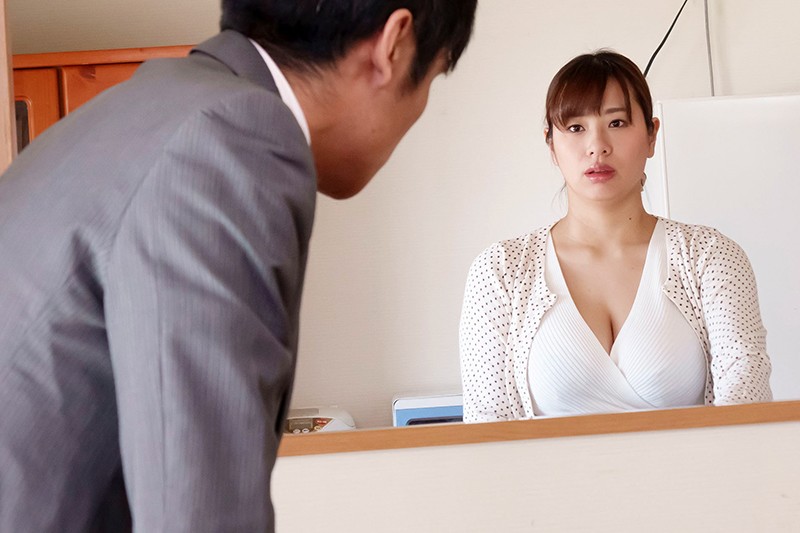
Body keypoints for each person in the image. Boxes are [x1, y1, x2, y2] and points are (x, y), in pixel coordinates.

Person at [0, 1, 477, 531]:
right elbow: (198, 513)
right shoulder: (231, 133)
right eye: (433, 78)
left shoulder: (151, 105)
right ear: (395, 44)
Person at [459, 50, 772, 424]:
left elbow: (746, 408)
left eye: (617, 122)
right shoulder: (502, 270)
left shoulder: (710, 256)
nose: (597, 146)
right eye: (576, 128)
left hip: (698, 465)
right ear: (551, 144)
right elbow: (487, 430)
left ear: (652, 135)